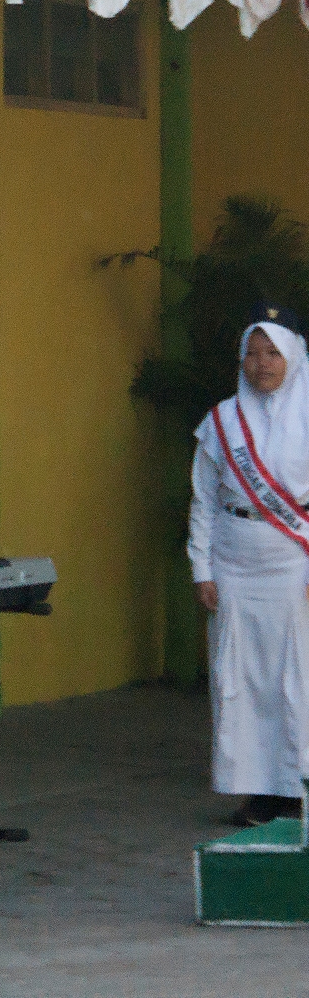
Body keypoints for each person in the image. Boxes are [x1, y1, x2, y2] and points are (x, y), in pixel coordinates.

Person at [189, 307, 309, 828]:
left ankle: (296, 786)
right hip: (233, 566)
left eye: (272, 353)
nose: (262, 364)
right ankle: (257, 791)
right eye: (253, 353)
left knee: (295, 680)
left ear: (293, 356)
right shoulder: (222, 420)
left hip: (293, 567)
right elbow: (202, 500)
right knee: (239, 681)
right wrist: (202, 568)